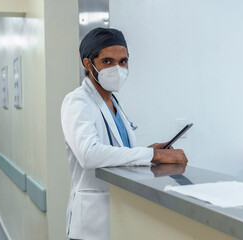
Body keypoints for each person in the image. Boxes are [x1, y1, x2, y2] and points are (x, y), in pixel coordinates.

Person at [61, 27, 188, 240]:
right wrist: (153, 156)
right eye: (108, 61)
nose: (118, 68)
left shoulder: (113, 103)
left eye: (123, 61)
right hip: (92, 222)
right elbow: (89, 154)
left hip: (119, 216)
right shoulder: (78, 101)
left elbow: (116, 153)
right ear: (88, 64)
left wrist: (147, 151)